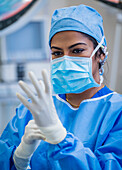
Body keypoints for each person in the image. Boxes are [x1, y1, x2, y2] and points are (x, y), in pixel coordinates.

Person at [0, 4, 122, 170]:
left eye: (77, 50)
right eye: (57, 53)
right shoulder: (31, 111)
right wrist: (20, 159)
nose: (66, 60)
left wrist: (60, 138)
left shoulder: (117, 113)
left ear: (101, 54)